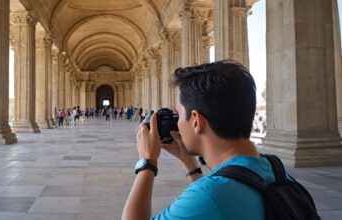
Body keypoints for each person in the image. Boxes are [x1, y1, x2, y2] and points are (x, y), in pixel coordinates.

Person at [122, 60, 316, 220]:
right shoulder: (277, 170)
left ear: (196, 120)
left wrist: (147, 163)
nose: (177, 123)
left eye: (179, 114)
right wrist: (191, 165)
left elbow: (214, 199)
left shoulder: (209, 196)